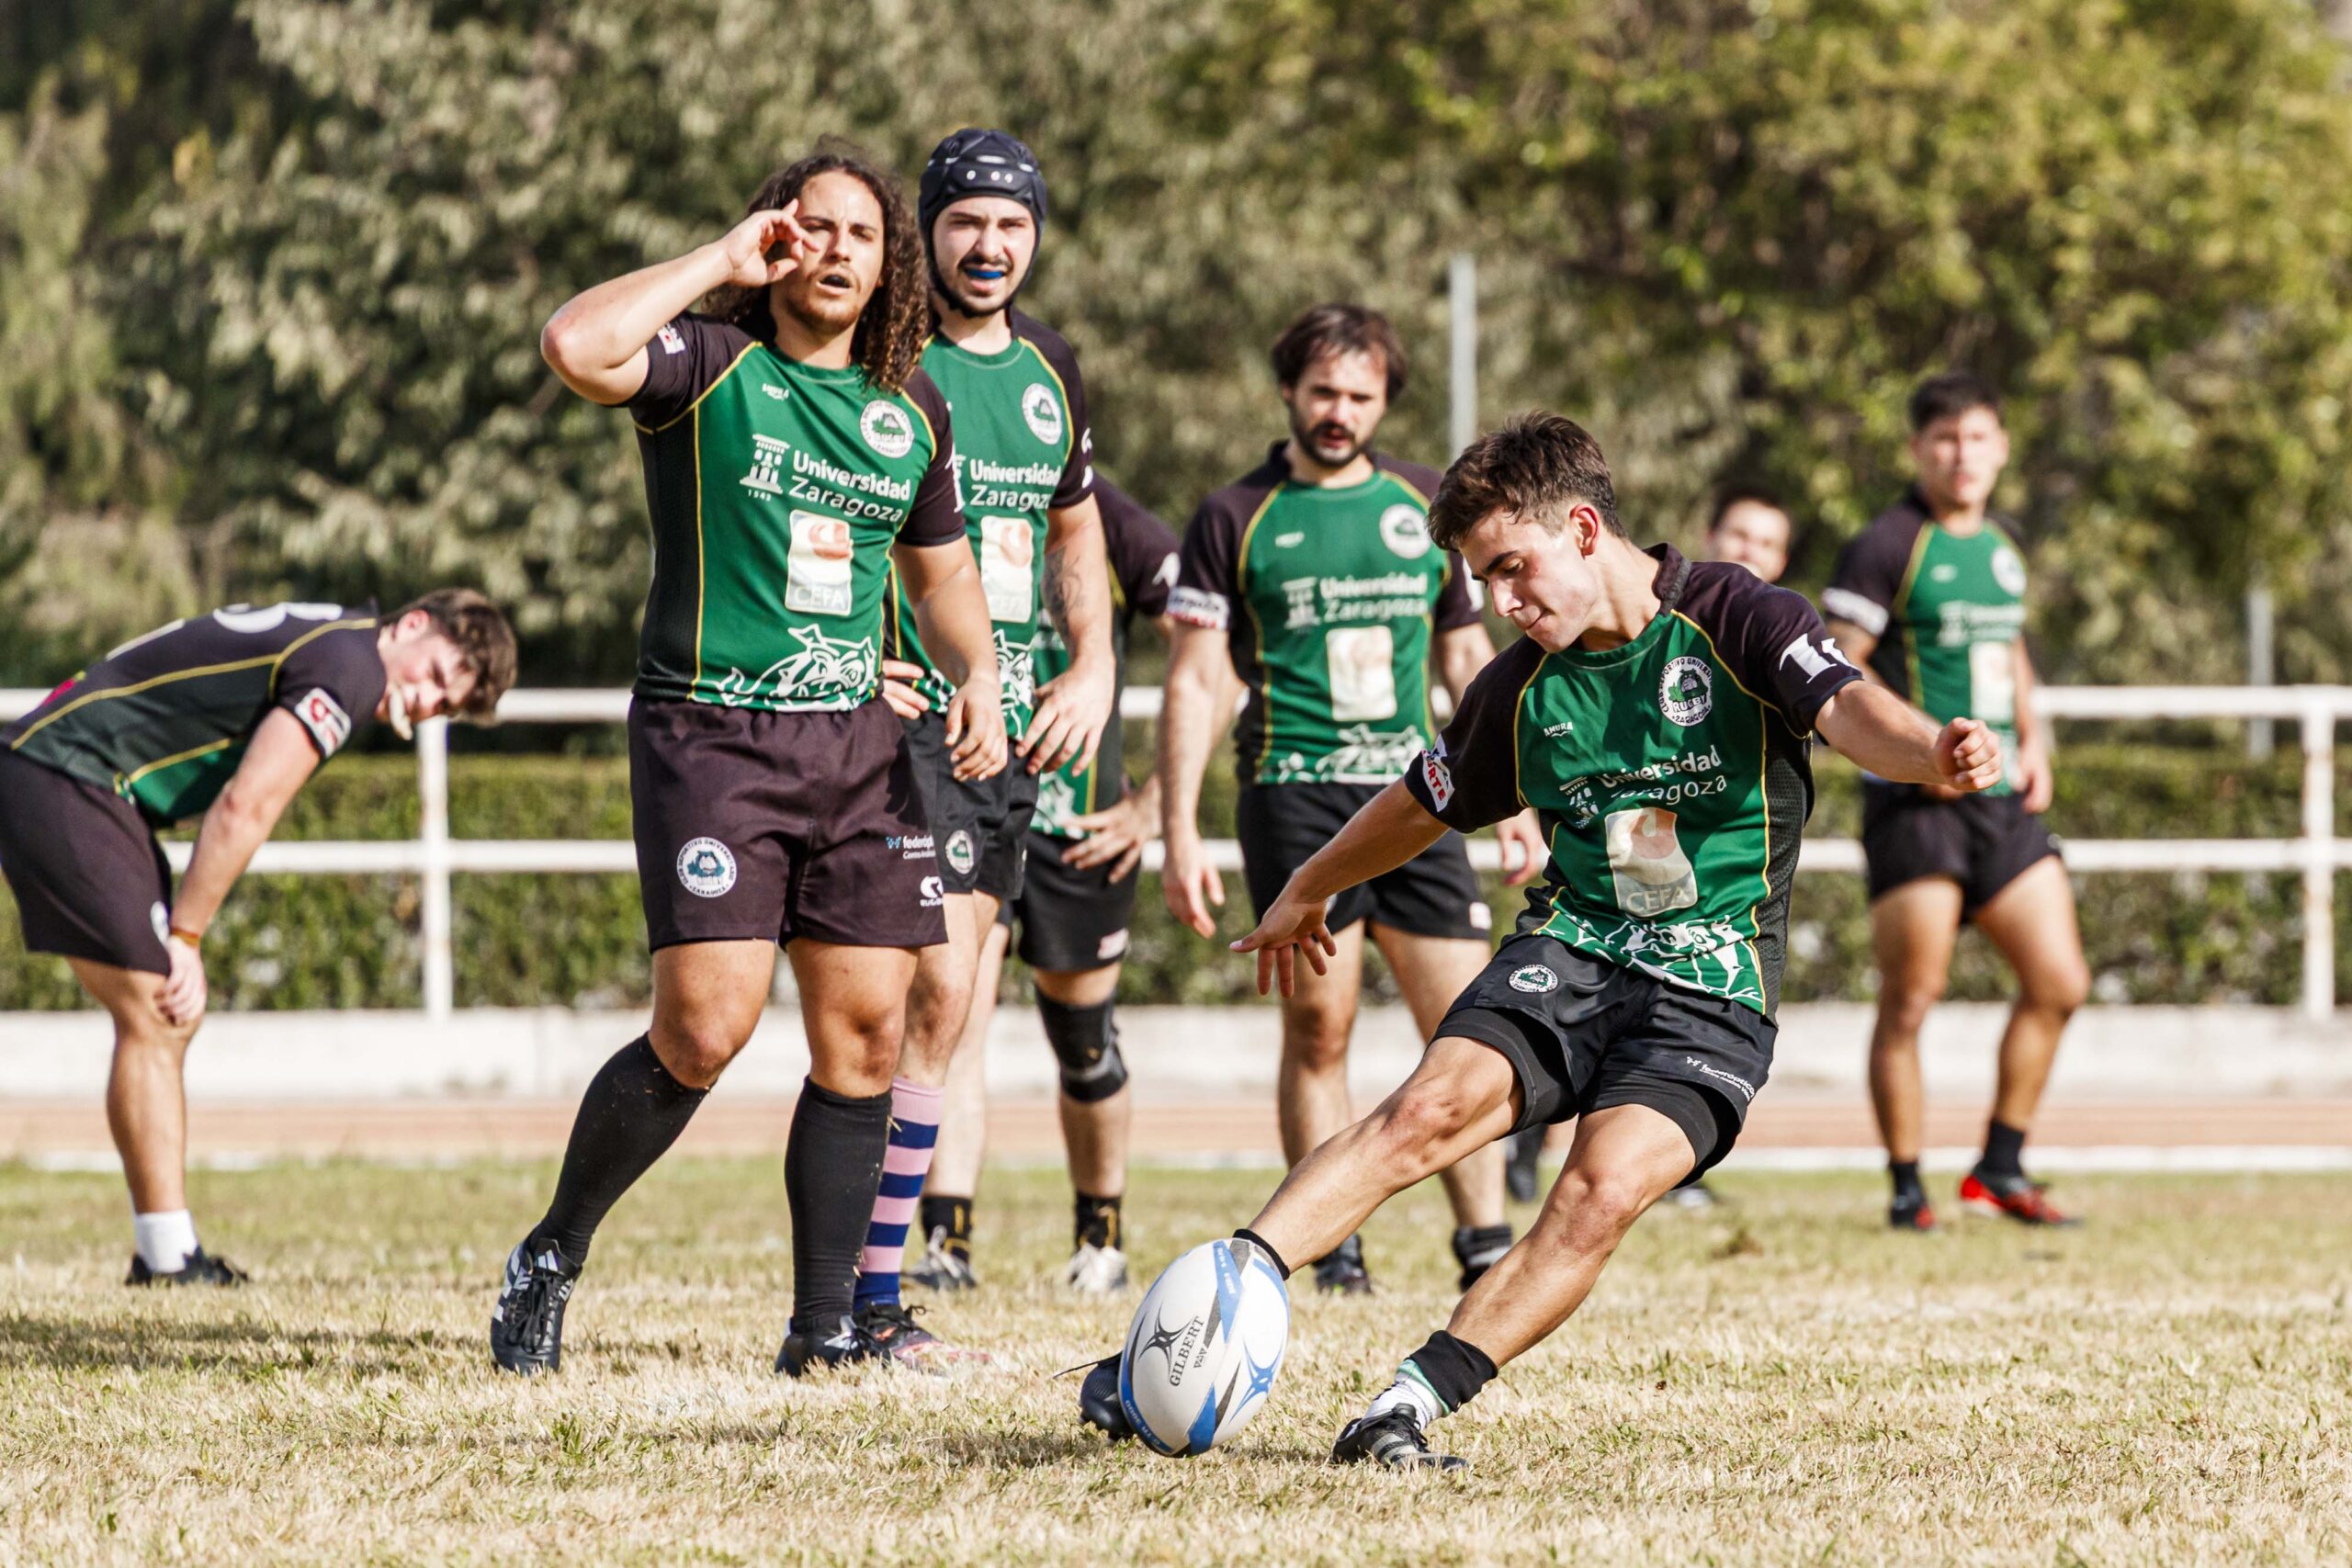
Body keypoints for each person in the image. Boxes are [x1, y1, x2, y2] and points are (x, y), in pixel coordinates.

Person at [1080, 412, 2003, 1469]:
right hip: (1573, 948)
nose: (1500, 602)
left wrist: (1933, 750)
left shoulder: (1736, 617)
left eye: (1511, 569)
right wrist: (1307, 884)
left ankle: (1402, 1409)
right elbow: (1422, 801)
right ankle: (1190, 1333)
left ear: (1581, 529)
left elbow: (1846, 711)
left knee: (1597, 1193)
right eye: (1484, 580)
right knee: (1421, 1114)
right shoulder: (1519, 685)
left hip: (1715, 986)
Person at [492, 141, 1007, 1378]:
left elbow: (942, 576)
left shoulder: (912, 411)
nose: (837, 250)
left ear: (890, 266)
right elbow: (574, 344)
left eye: (862, 235)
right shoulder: (708, 365)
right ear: (776, 236)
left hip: (861, 750)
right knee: (703, 1031)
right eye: (812, 226)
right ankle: (550, 1253)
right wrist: (720, 258)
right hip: (711, 734)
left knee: (868, 1035)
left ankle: (822, 1328)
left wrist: (980, 672)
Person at [1158, 303, 1544, 1295]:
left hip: (1422, 796)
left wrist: (1513, 798)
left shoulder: (1424, 504)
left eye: (1360, 396)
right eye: (1323, 391)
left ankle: (1484, 1244)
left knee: (1468, 1027)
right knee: (1319, 1032)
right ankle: (1332, 1252)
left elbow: (1468, 657)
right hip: (1293, 796)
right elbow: (1196, 680)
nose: (1339, 411)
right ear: (1288, 391)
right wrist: (1179, 828)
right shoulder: (1234, 516)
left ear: (1384, 403)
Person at [0, 591, 516, 1282]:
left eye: (443, 705)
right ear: (414, 624)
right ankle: (167, 1260)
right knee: (158, 1009)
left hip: (80, 776)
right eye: (433, 676)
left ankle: (167, 1253)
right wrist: (186, 935)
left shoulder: (338, 640)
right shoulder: (353, 666)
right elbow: (247, 805)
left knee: (164, 1016)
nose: (425, 702)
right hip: (65, 771)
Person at [842, 129, 1117, 1370]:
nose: (990, 245)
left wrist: (1095, 664)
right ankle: (867, 1286)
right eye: (966, 222)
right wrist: (857, 656)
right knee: (922, 997)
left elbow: (1077, 529)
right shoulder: (883, 358)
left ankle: (877, 1283)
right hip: (910, 721)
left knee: (952, 1004)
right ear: (929, 231)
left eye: (1012, 224)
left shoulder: (1053, 370)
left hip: (1009, 734)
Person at [1820, 372, 2089, 1230]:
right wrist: (1918, 750)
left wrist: (2034, 737)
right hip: (1918, 803)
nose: (1961, 454)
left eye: (1976, 438)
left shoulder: (2003, 546)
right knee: (1912, 998)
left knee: (2060, 981)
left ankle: (2000, 1166)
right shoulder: (1887, 544)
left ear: (2001, 447)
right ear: (1917, 449)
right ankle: (1907, 1187)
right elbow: (1837, 664)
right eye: (1944, 439)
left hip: (2001, 802)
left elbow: (2007, 647)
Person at [919, 479, 1182, 1295]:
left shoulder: (1113, 522)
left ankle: (1101, 1240)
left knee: (1085, 1042)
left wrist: (1155, 805)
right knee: (953, 1016)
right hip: (971, 802)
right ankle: (946, 1245)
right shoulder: (939, 492)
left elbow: (1214, 658)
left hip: (1082, 824)